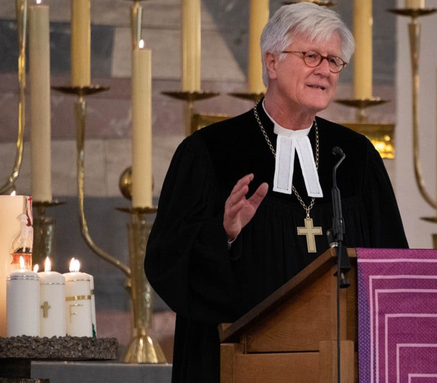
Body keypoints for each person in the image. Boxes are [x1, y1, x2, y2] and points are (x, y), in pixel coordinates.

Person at [144, 3, 408, 382]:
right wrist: (224, 234)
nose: (324, 70)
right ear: (272, 62)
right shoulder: (211, 152)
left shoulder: (354, 157)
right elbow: (165, 262)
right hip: (236, 364)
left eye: (334, 61)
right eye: (311, 55)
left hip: (336, 366)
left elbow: (391, 265)